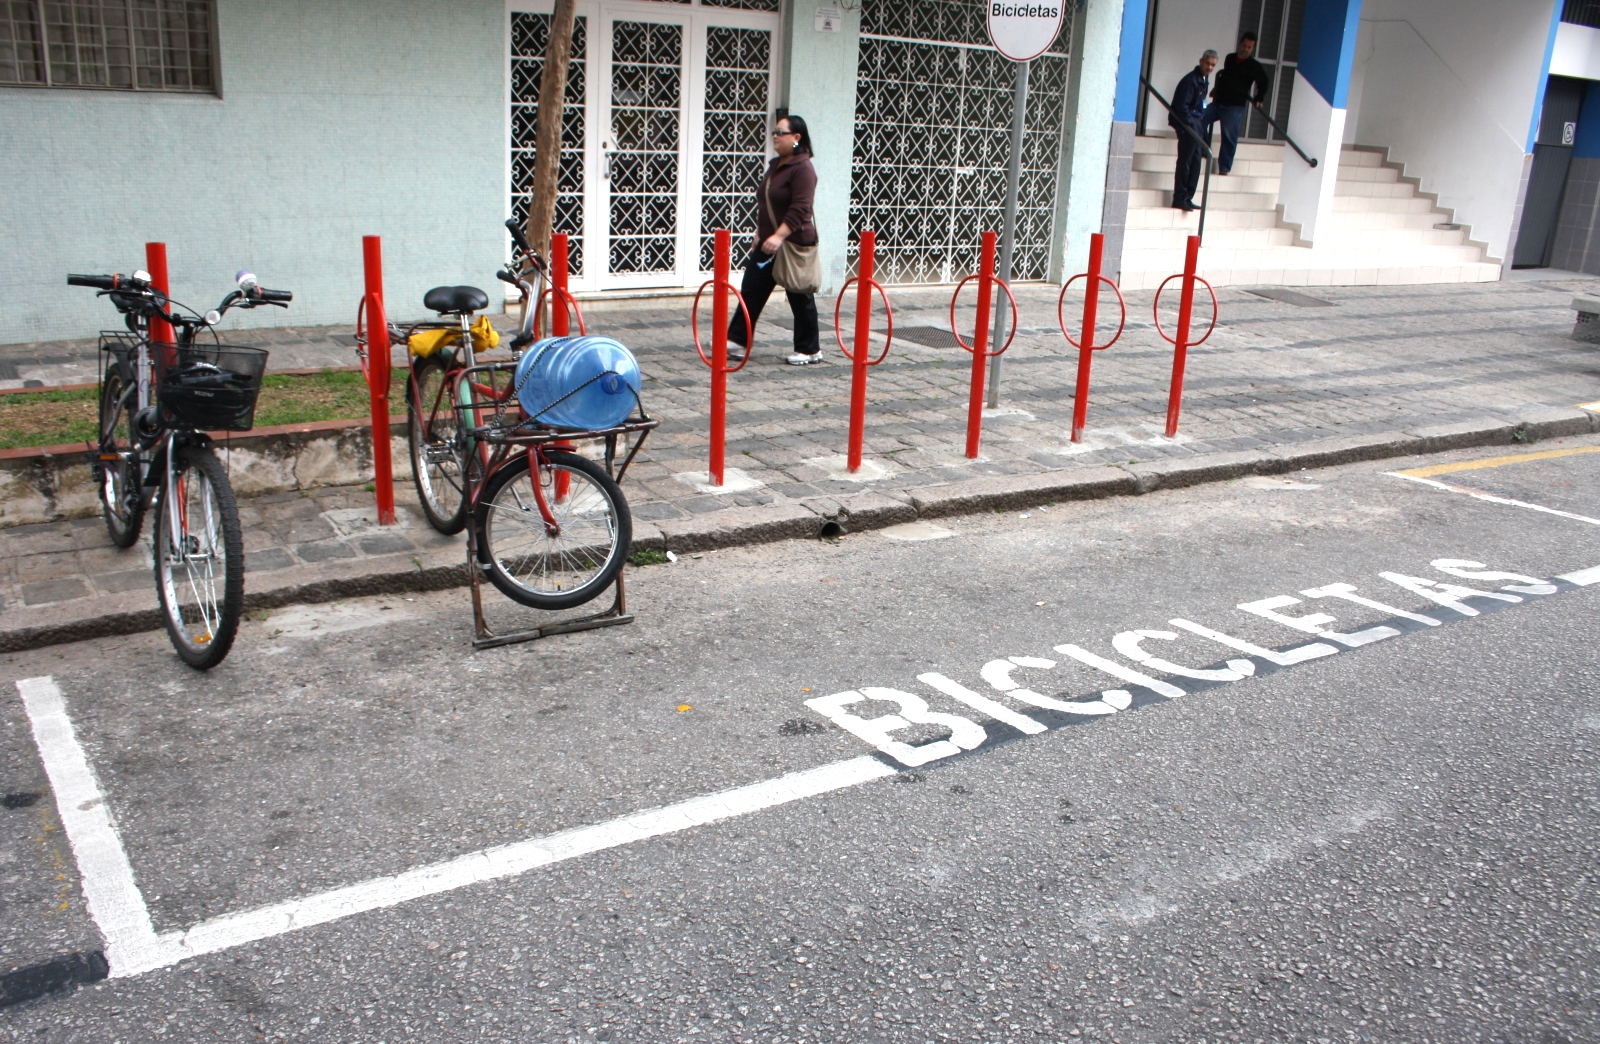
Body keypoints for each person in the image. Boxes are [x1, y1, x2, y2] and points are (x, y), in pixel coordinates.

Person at [728, 114, 821, 366]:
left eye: (781, 132)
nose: (775, 136)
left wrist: (779, 235)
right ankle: (737, 340)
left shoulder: (803, 168)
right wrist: (762, 232)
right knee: (752, 288)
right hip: (769, 242)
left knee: (799, 294)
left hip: (793, 243)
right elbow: (766, 202)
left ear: (796, 137)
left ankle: (809, 349)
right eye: (774, 132)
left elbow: (801, 208)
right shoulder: (776, 165)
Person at [1206, 32, 1271, 175]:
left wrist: (1259, 98)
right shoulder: (1230, 58)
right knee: (1199, 118)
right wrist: (1216, 90)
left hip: (1235, 106)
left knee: (1229, 137)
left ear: (1252, 48)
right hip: (1219, 102)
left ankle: (1224, 168)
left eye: (1249, 47)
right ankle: (1202, 149)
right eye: (1244, 45)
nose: (1246, 49)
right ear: (1239, 44)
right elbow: (1225, 77)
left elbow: (1264, 81)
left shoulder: (1254, 66)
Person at [1170, 50, 1216, 212]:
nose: (1210, 67)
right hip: (1188, 125)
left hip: (1197, 123)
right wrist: (1190, 124)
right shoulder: (1191, 81)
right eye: (1208, 63)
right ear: (1201, 61)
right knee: (1186, 162)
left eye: (1213, 65)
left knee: (1196, 162)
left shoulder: (1204, 80)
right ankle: (1180, 197)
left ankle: (1188, 197)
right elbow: (1181, 107)